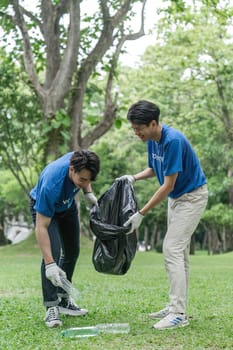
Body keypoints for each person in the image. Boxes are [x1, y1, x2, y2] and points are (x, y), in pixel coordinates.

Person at [117, 100, 208, 330]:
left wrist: (141, 213)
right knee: (180, 254)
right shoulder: (151, 141)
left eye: (140, 129)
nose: (137, 133)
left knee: (172, 249)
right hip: (176, 198)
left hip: (192, 197)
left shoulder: (173, 140)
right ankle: (176, 307)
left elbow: (168, 184)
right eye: (134, 129)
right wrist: (133, 177)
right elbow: (154, 169)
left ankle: (178, 314)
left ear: (154, 123)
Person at [29, 149, 100, 328]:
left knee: (72, 251)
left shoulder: (82, 160)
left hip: (67, 206)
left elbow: (86, 177)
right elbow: (41, 226)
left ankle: (63, 300)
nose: (86, 182)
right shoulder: (51, 185)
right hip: (46, 209)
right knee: (53, 253)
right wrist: (50, 264)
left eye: (89, 180)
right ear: (71, 170)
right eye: (82, 180)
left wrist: (87, 192)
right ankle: (51, 307)